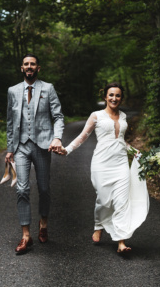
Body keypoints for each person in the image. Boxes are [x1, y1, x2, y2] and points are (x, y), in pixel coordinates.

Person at [58, 82, 149, 253]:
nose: (114, 98)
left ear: (121, 98)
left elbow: (121, 141)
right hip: (101, 163)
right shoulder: (96, 115)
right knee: (104, 199)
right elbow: (83, 136)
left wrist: (135, 152)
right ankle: (98, 224)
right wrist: (67, 149)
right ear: (105, 97)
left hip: (121, 163)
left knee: (122, 202)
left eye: (118, 95)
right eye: (111, 95)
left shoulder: (123, 116)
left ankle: (121, 242)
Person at [4, 54, 64, 254]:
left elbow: (58, 116)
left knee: (44, 188)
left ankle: (44, 224)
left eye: (33, 64)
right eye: (26, 64)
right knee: (22, 189)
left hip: (43, 145)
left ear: (38, 68)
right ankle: (26, 236)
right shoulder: (13, 91)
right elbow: (10, 122)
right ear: (22, 68)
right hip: (21, 146)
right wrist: (10, 148)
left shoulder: (48, 88)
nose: (29, 67)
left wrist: (57, 138)